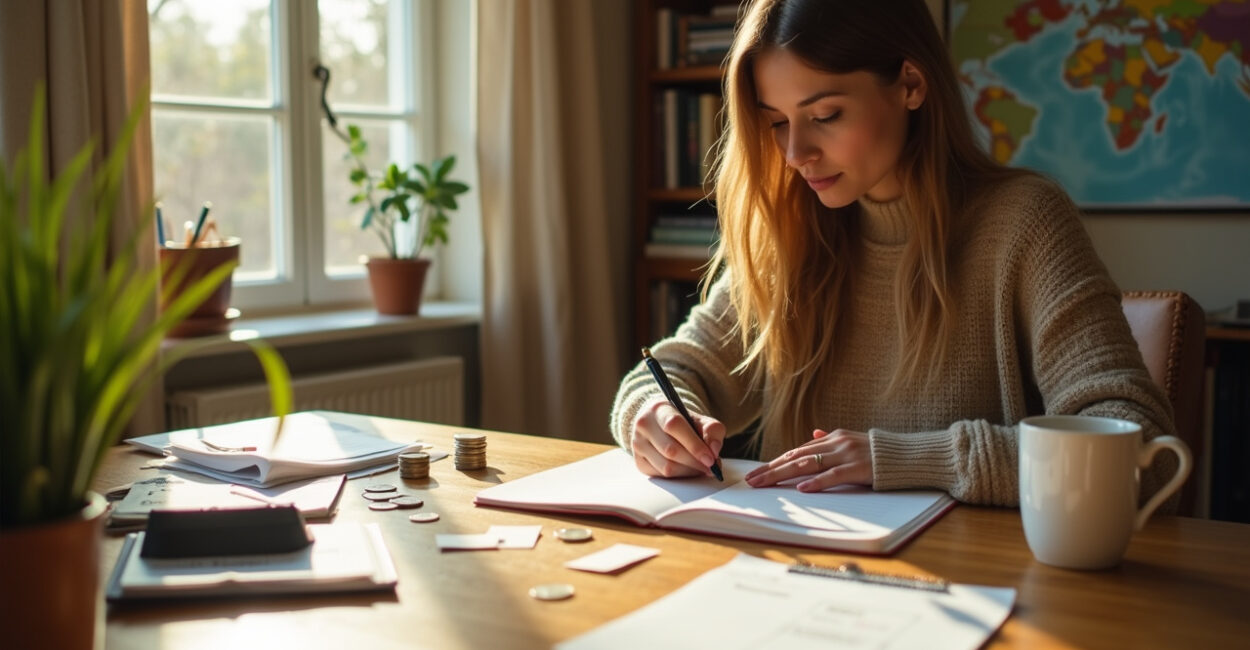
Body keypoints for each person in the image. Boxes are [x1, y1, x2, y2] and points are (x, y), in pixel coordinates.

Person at [610, 0, 1179, 508]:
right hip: (805, 581)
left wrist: (903, 459)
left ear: (910, 83)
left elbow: (1141, 446)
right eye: (777, 122)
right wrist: (653, 417)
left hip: (984, 587)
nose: (795, 153)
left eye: (826, 115)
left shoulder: (1025, 223)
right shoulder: (793, 230)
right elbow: (673, 370)